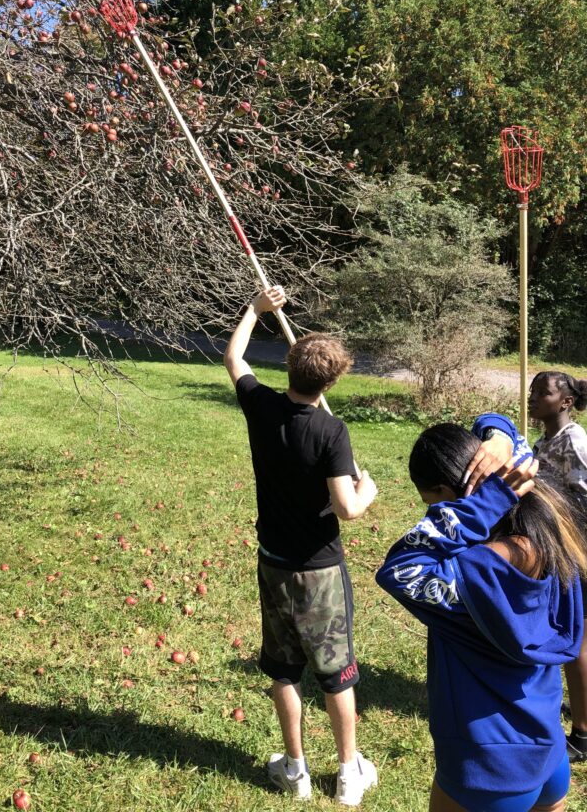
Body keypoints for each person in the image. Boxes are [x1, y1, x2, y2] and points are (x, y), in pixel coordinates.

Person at [376, 420, 586, 812]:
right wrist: (501, 439)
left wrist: (484, 503)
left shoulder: (476, 572)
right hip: (549, 752)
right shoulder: (553, 538)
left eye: (433, 503)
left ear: (450, 498)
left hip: (488, 769)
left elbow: (398, 568)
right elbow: (511, 438)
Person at [223, 285, 378, 805]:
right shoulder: (332, 431)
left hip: (274, 564)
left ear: (289, 369)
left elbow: (234, 356)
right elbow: (347, 508)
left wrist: (256, 310)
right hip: (320, 572)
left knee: (284, 669)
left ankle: (295, 771)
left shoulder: (261, 406)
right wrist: (367, 489)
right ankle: (348, 772)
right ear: (331, 381)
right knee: (336, 674)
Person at [528, 371, 587, 762]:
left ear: (565, 401)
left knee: (578, 640)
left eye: (542, 392)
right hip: (557, 549)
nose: (532, 397)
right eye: (532, 391)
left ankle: (583, 733)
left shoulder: (575, 441)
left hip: (578, 552)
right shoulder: (542, 442)